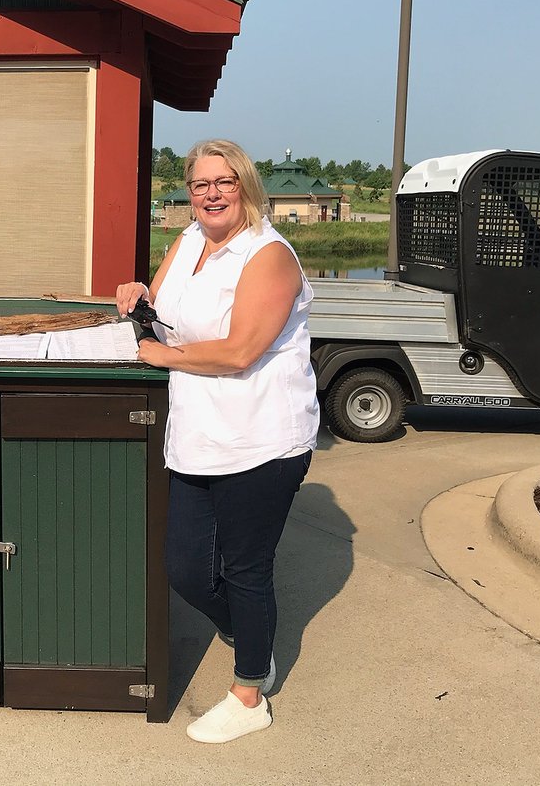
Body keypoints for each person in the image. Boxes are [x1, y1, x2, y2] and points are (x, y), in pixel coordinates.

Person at [115, 139, 319, 744]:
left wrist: (165, 355)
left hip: (261, 438)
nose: (210, 193)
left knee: (246, 568)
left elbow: (240, 350)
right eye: (200, 183)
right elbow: (162, 316)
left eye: (223, 181)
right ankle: (247, 630)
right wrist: (137, 298)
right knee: (184, 566)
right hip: (198, 432)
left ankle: (251, 690)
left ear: (246, 186)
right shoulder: (185, 244)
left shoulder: (269, 256)